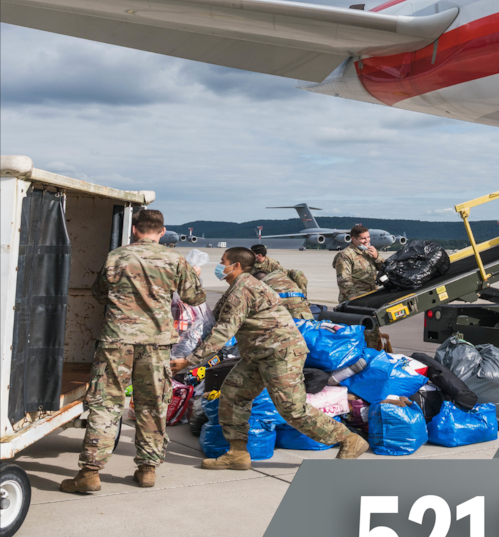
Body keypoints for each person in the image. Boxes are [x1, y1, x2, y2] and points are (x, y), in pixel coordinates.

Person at [174, 247, 369, 466]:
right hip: (259, 354)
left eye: (223, 261)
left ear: (235, 266)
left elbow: (222, 332)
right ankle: (237, 454)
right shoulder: (239, 287)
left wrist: (188, 361)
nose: (220, 266)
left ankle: (348, 439)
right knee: (233, 394)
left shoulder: (243, 290)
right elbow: (215, 318)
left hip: (280, 353)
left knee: (291, 408)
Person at [58, 209, 207, 494]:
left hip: (117, 341)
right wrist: (192, 276)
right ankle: (147, 469)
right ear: (162, 232)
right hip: (156, 344)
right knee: (152, 405)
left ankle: (90, 472)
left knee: (106, 404)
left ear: (134, 230)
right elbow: (195, 297)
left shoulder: (117, 256)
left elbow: (100, 293)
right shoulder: (175, 260)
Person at [250, 243, 314, 320]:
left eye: (252, 254)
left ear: (259, 255)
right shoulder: (252, 264)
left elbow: (284, 278)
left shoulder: (273, 265)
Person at [333, 224, 382, 303]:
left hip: (371, 296)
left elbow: (384, 269)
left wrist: (377, 257)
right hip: (355, 299)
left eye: (368, 237)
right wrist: (354, 298)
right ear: (354, 239)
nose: (367, 241)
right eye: (363, 238)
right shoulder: (345, 255)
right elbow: (344, 280)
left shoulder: (370, 251)